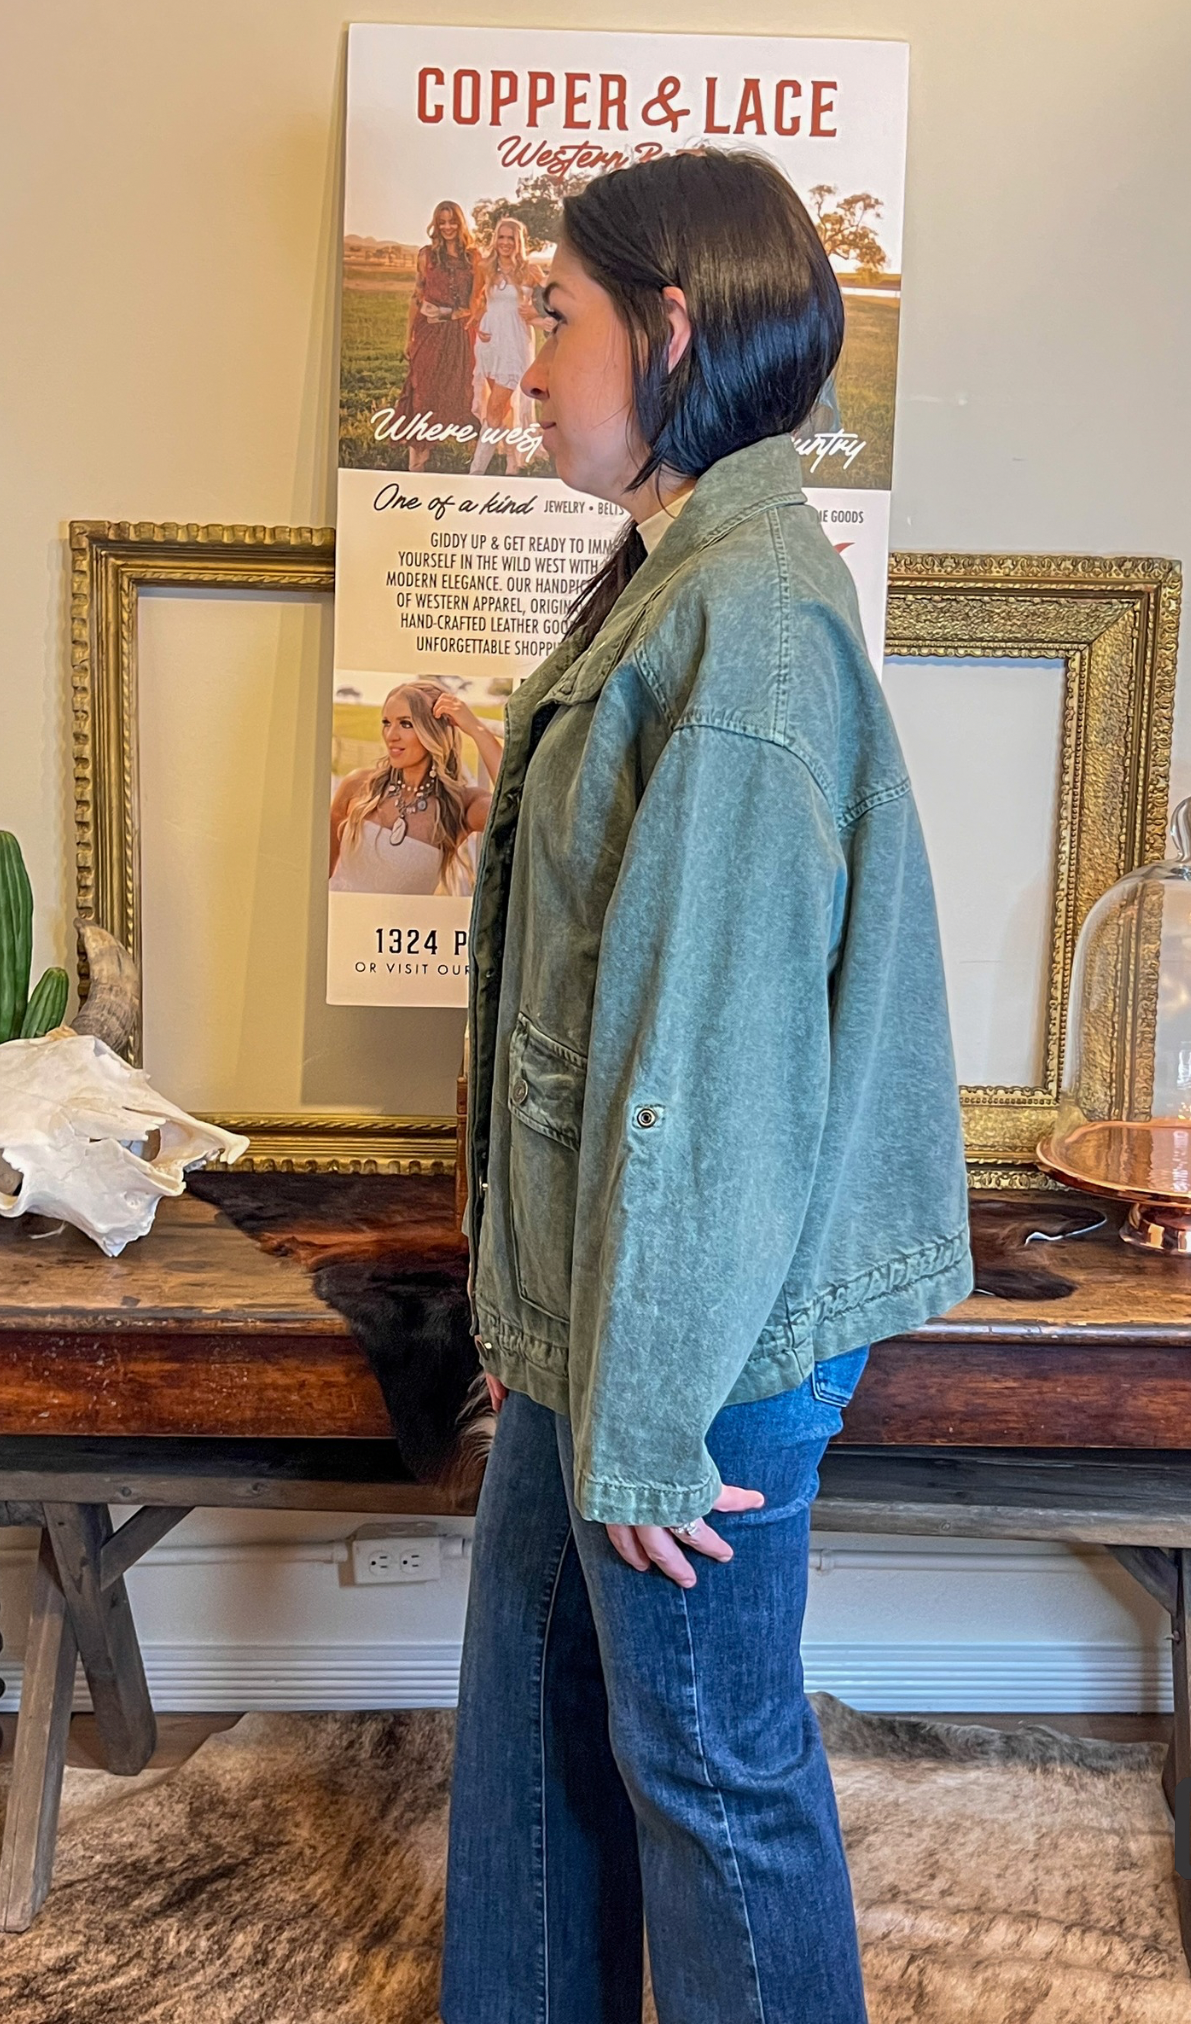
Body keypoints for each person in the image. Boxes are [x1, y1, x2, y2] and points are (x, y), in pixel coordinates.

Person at [442, 151, 972, 2024]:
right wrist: (540, 1311)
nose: (524, 366)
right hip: (613, 1299)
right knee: (531, 1729)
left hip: (700, 1327)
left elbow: (709, 1064)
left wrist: (648, 1406)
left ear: (670, 327)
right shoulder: (680, 578)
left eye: (561, 319)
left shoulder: (742, 624)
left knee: (711, 1777)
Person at [328, 679, 499, 896]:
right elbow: (319, 875)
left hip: (402, 929)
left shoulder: (460, 806)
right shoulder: (358, 786)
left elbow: (523, 810)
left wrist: (477, 730)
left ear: (434, 731)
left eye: (406, 723)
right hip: (340, 927)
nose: (391, 735)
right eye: (387, 722)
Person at [392, 202, 477, 472]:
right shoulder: (426, 255)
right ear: (436, 225)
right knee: (422, 391)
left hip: (459, 335)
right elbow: (417, 297)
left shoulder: (473, 258)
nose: (448, 227)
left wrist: (450, 315)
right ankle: (417, 460)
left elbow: (476, 303)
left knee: (455, 392)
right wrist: (409, 337)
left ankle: (468, 452)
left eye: (452, 221)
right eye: (442, 222)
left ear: (461, 223)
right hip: (428, 332)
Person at [466, 215, 543, 476]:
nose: (506, 242)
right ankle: (511, 462)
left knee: (495, 407)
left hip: (515, 343)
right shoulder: (486, 267)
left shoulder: (529, 271)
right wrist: (479, 322)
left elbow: (550, 301)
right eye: (501, 237)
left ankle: (475, 473)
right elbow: (478, 301)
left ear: (518, 242)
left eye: (511, 238)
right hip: (489, 343)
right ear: (495, 239)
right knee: (502, 407)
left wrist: (533, 310)